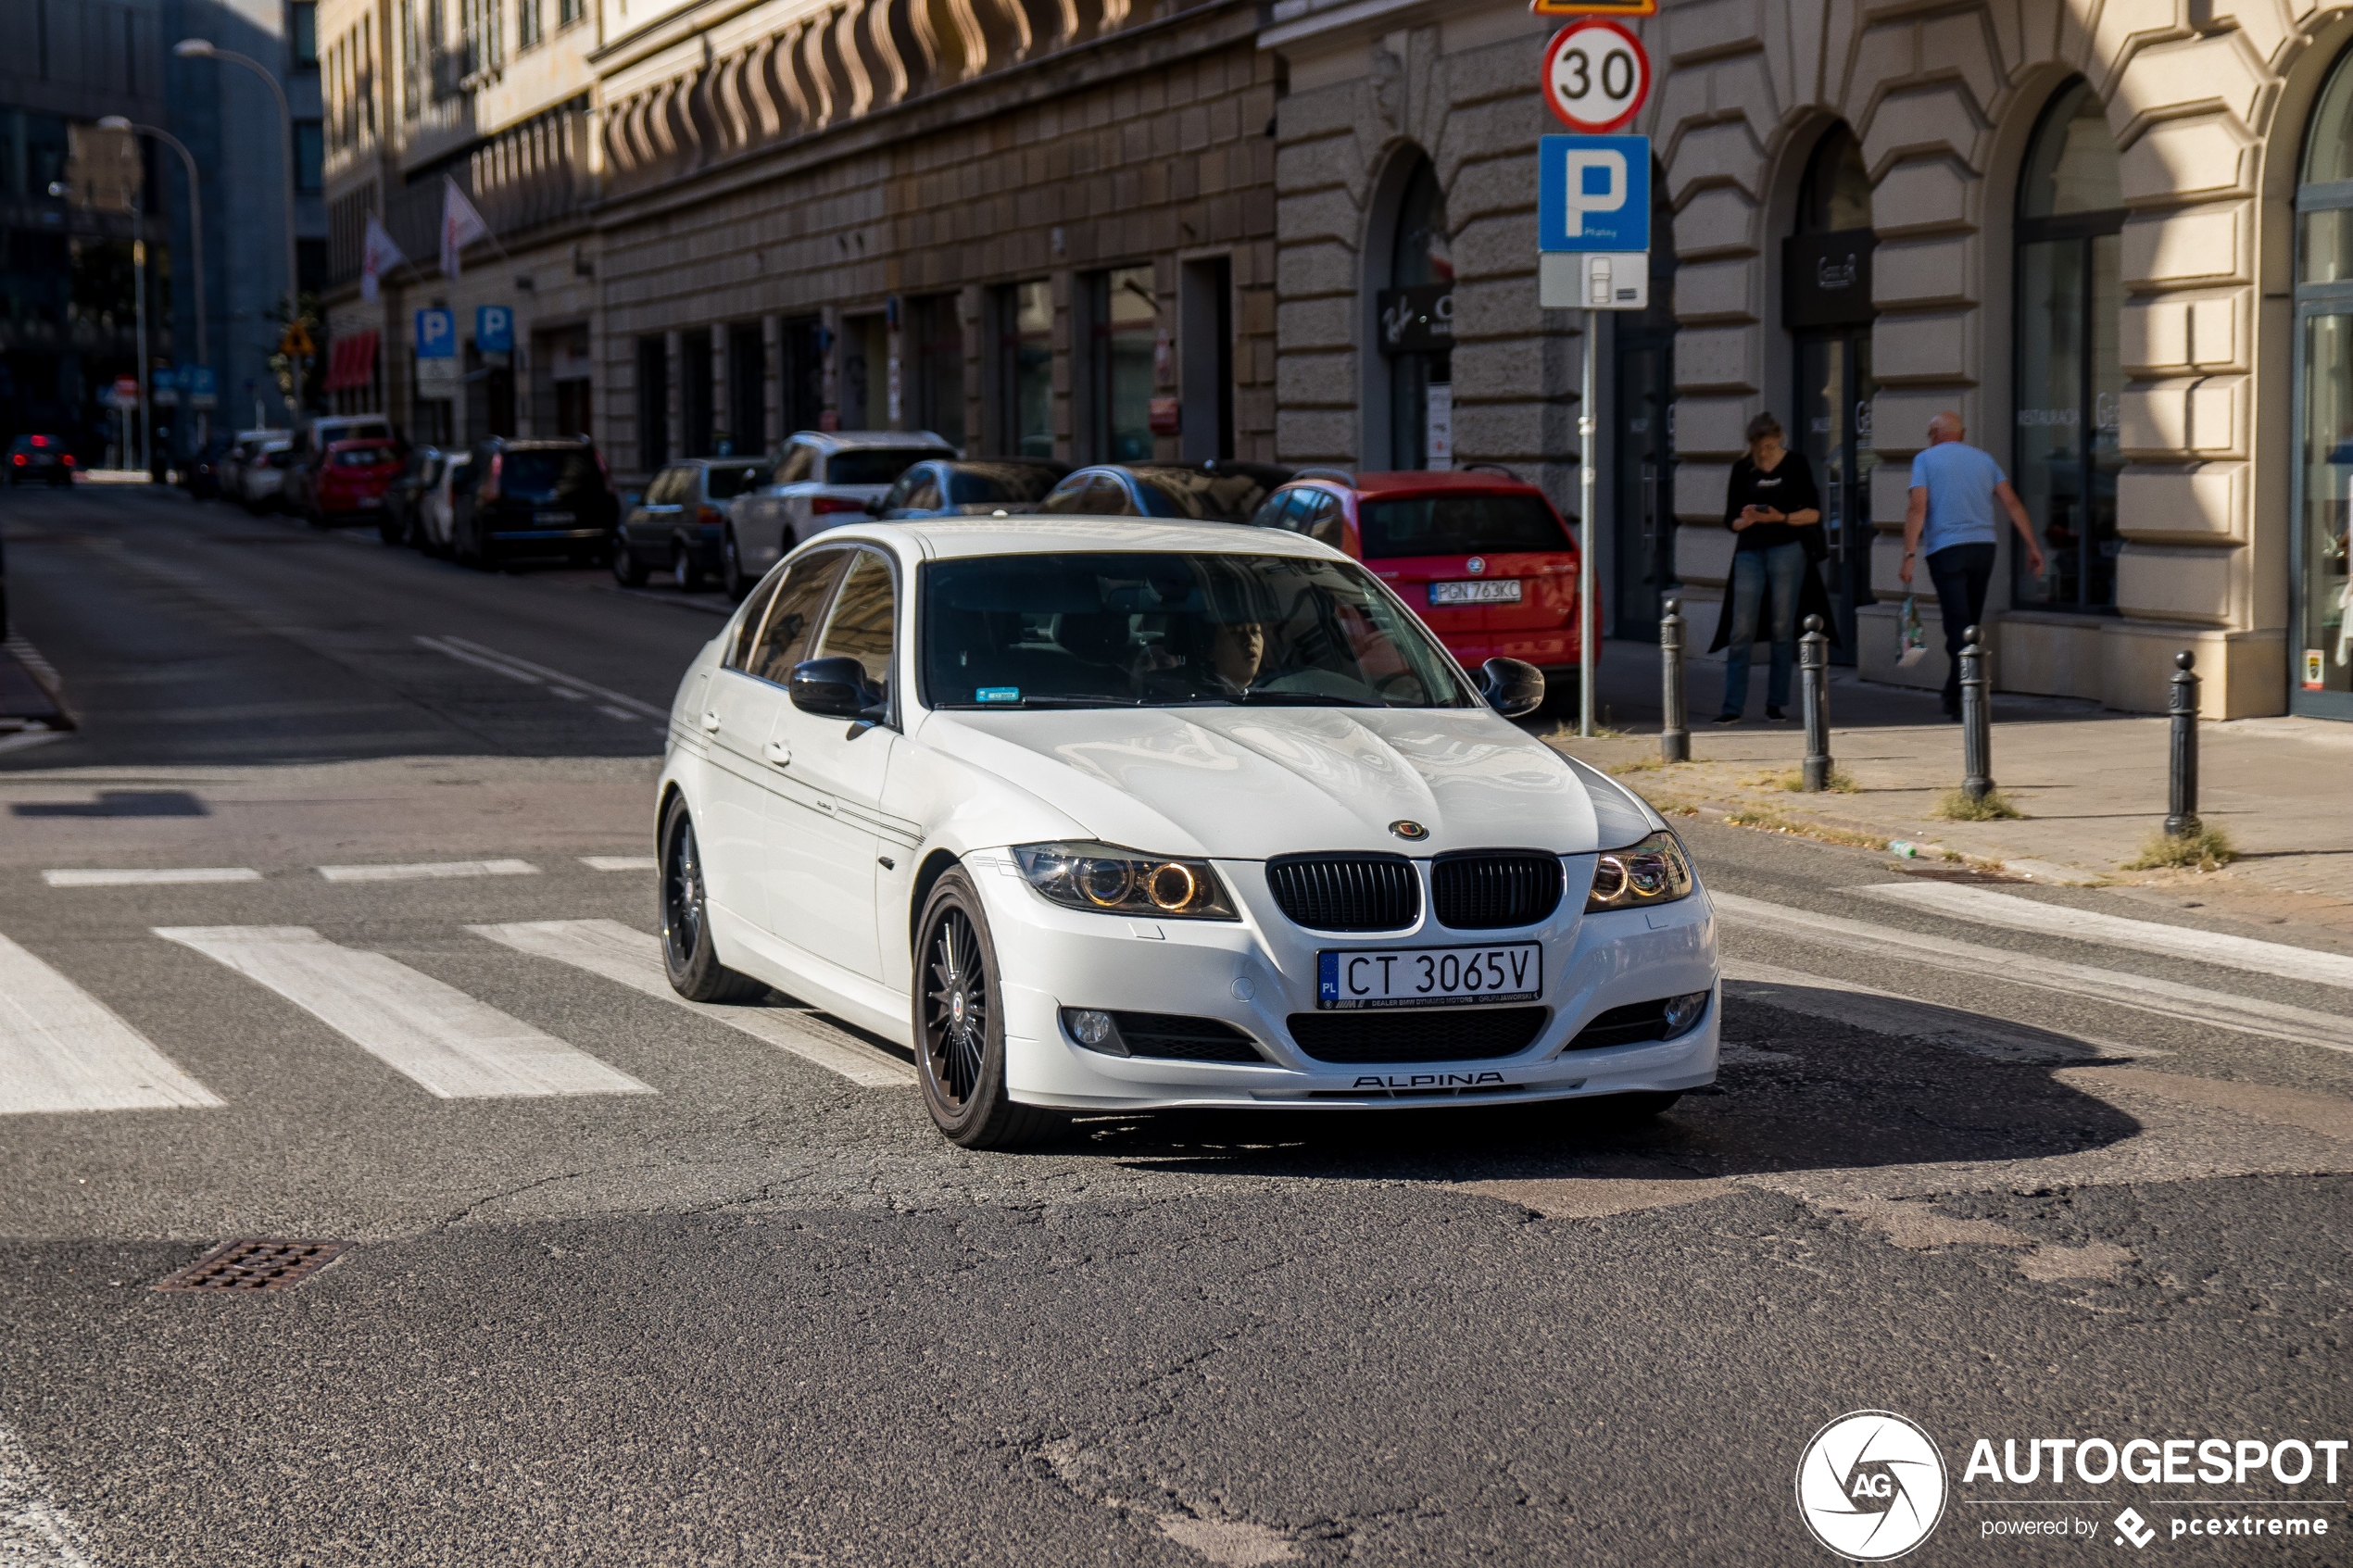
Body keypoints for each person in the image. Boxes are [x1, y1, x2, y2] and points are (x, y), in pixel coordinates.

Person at [1899, 411, 2045, 718]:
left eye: (1930, 434)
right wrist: (2032, 546)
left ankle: (1966, 695)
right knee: (1969, 624)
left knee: (1957, 626)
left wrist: (1909, 554)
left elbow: (1917, 508)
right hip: (1983, 549)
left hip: (1947, 550)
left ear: (1935, 434)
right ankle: (1955, 694)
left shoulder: (1925, 460)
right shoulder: (1984, 460)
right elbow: (2012, 503)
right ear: (1961, 434)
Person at [1708, 413, 1829, 722]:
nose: (1764, 454)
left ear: (1780, 439)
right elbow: (1729, 520)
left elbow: (1814, 513)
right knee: (1741, 629)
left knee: (1782, 627)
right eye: (1759, 447)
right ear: (1750, 445)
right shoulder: (1742, 468)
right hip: (1749, 551)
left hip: (1787, 550)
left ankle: (1776, 703)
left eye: (1770, 446)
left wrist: (1781, 518)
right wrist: (1745, 520)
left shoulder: (1796, 465)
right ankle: (1732, 707)